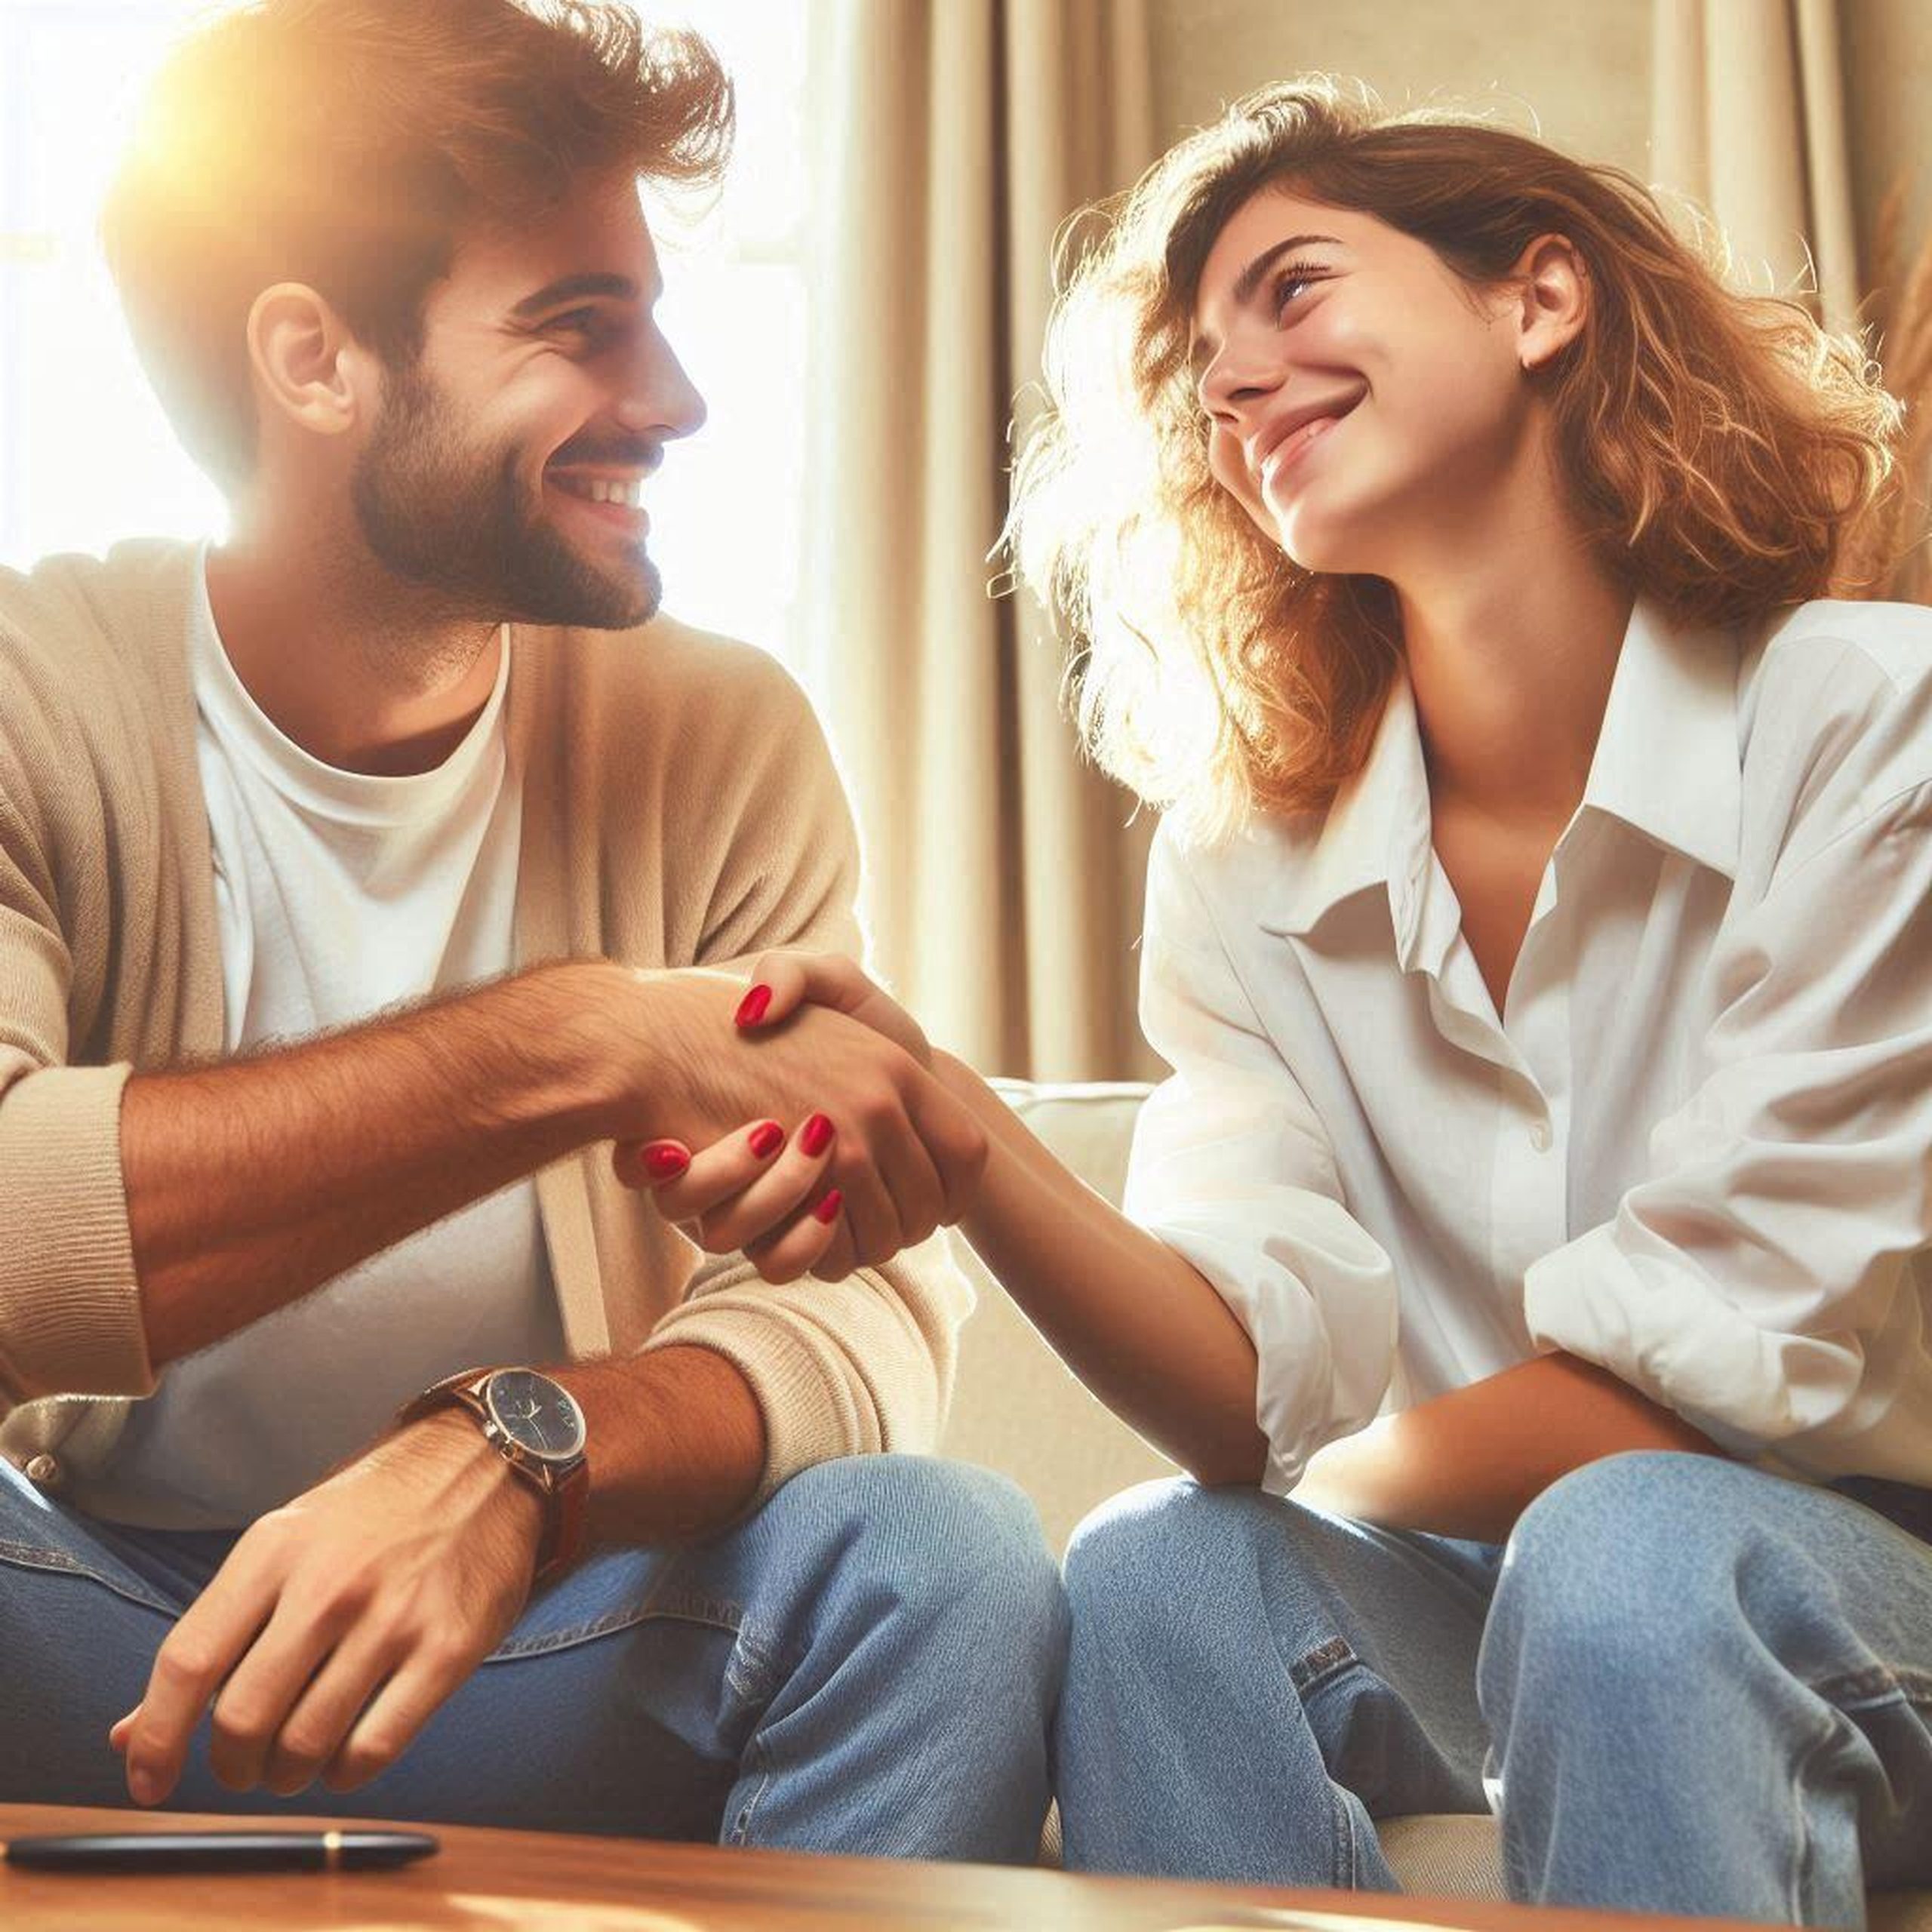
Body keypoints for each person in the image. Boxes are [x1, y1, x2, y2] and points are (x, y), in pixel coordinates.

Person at [633, 78, 1932, 1923]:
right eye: (1205, 375)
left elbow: (1712, 1376)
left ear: (1536, 298)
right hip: (1508, 1564)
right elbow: (1236, 1387)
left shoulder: (1869, 727)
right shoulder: (1247, 862)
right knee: (1163, 1566)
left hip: (1863, 1578)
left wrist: (1320, 1455)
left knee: (1626, 1546)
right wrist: (962, 1126)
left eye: (1293, 292)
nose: (1238, 386)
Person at [0, 0, 1066, 1859]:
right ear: (314, 358)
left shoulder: (721, 737)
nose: (670, 400)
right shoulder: (34, 693)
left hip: (542, 1626)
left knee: (941, 1560)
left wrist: (508, 1452)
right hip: (85, 1639)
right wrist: (586, 1037)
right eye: (584, 328)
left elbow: (872, 1300)